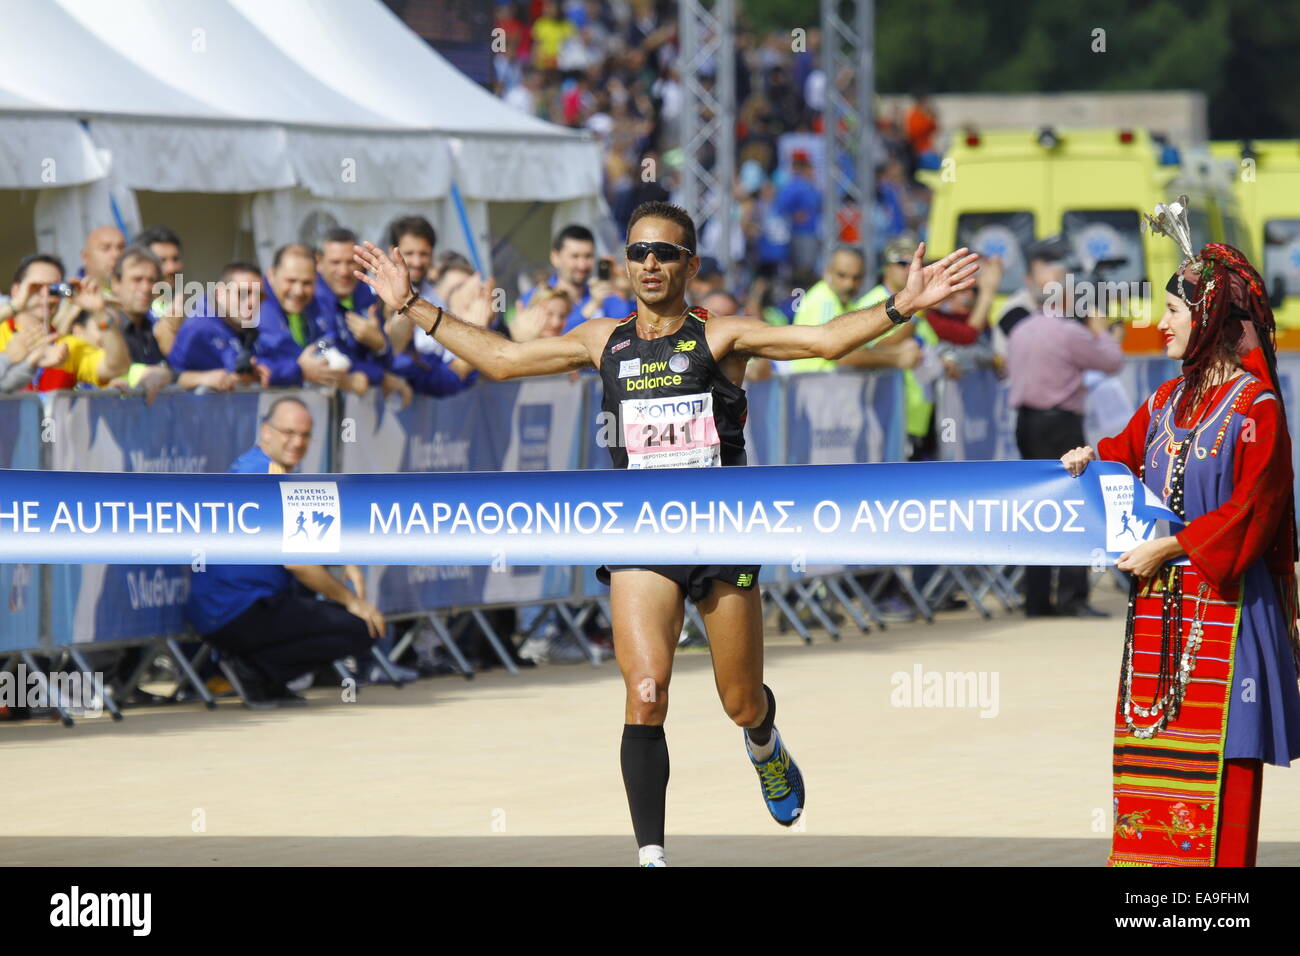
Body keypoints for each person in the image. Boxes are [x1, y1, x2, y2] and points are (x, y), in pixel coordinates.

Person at [354, 199, 978, 867]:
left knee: (739, 701)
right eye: (638, 252)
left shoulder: (722, 336)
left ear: (690, 264)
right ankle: (651, 855)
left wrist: (903, 306)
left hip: (720, 534)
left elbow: (819, 343)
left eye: (665, 253)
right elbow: (503, 359)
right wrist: (411, 303)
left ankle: (764, 744)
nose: (650, 263)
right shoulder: (603, 339)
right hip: (641, 535)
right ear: (625, 263)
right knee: (646, 691)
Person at [1061, 241, 1300, 866]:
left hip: (1232, 614)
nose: (1161, 323)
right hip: (1162, 624)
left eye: (1173, 309)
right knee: (1157, 769)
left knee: (1227, 776)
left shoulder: (1259, 409)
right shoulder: (1167, 401)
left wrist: (1170, 545)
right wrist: (1092, 457)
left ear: (1209, 317)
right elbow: (1125, 450)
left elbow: (1254, 508)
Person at [184, 397, 388, 706]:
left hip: (241, 607)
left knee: (326, 605)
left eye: (305, 435)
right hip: (236, 611)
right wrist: (353, 602)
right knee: (361, 627)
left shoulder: (262, 467)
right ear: (266, 431)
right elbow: (297, 562)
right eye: (288, 432)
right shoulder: (263, 475)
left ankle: (261, 675)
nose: (298, 442)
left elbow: (311, 536)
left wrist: (345, 560)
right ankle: (254, 671)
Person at [1006, 247, 1123, 617]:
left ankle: (1037, 598)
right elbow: (1112, 361)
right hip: (1060, 424)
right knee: (1074, 506)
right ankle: (1073, 596)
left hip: (1026, 423)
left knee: (1037, 509)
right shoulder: (1068, 333)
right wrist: (1099, 328)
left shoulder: (1021, 330)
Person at [0, 254, 129, 391]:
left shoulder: (67, 346)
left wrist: (99, 312)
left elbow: (117, 367)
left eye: (53, 289)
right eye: (36, 287)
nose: (45, 294)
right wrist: (14, 305)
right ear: (16, 291)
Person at [167, 261, 271, 390]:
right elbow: (168, 377)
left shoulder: (252, 332)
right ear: (219, 294)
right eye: (243, 293)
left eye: (259, 296)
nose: (252, 302)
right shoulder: (198, 329)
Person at [519, 224, 631, 334]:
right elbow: (541, 340)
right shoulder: (535, 298)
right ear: (555, 258)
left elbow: (627, 330)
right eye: (575, 256)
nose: (582, 265)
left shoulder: (604, 296)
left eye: (588, 256)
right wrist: (588, 310)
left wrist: (628, 292)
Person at [108, 247, 175, 394]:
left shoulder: (156, 328)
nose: (145, 288)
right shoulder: (104, 327)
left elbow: (180, 370)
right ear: (116, 283)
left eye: (151, 280)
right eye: (137, 280)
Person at [79, 226, 126, 293]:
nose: (116, 255)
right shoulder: (72, 295)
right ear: (85, 257)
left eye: (121, 248)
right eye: (106, 248)